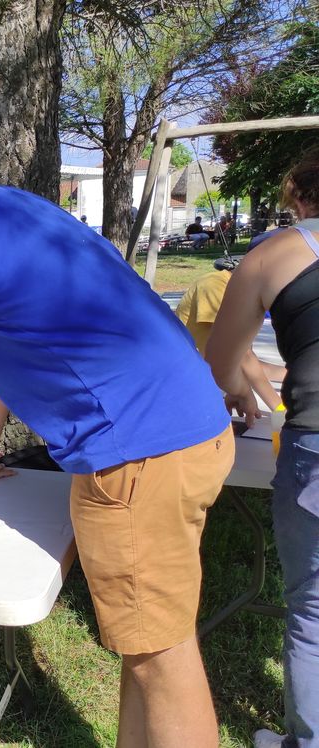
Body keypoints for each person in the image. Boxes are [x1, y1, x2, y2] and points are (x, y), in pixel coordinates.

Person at [0, 169, 233, 748]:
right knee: (146, 642)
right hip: (181, 429)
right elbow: (2, 345)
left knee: (161, 655)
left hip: (136, 447)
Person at [206, 155, 319, 748]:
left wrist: (245, 395)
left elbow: (222, 367)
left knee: (314, 611)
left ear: (299, 197)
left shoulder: (276, 254)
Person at [175, 258, 284, 412]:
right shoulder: (214, 285)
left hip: (209, 373)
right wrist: (280, 410)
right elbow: (243, 358)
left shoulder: (244, 294)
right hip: (186, 381)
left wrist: (298, 375)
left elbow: (247, 363)